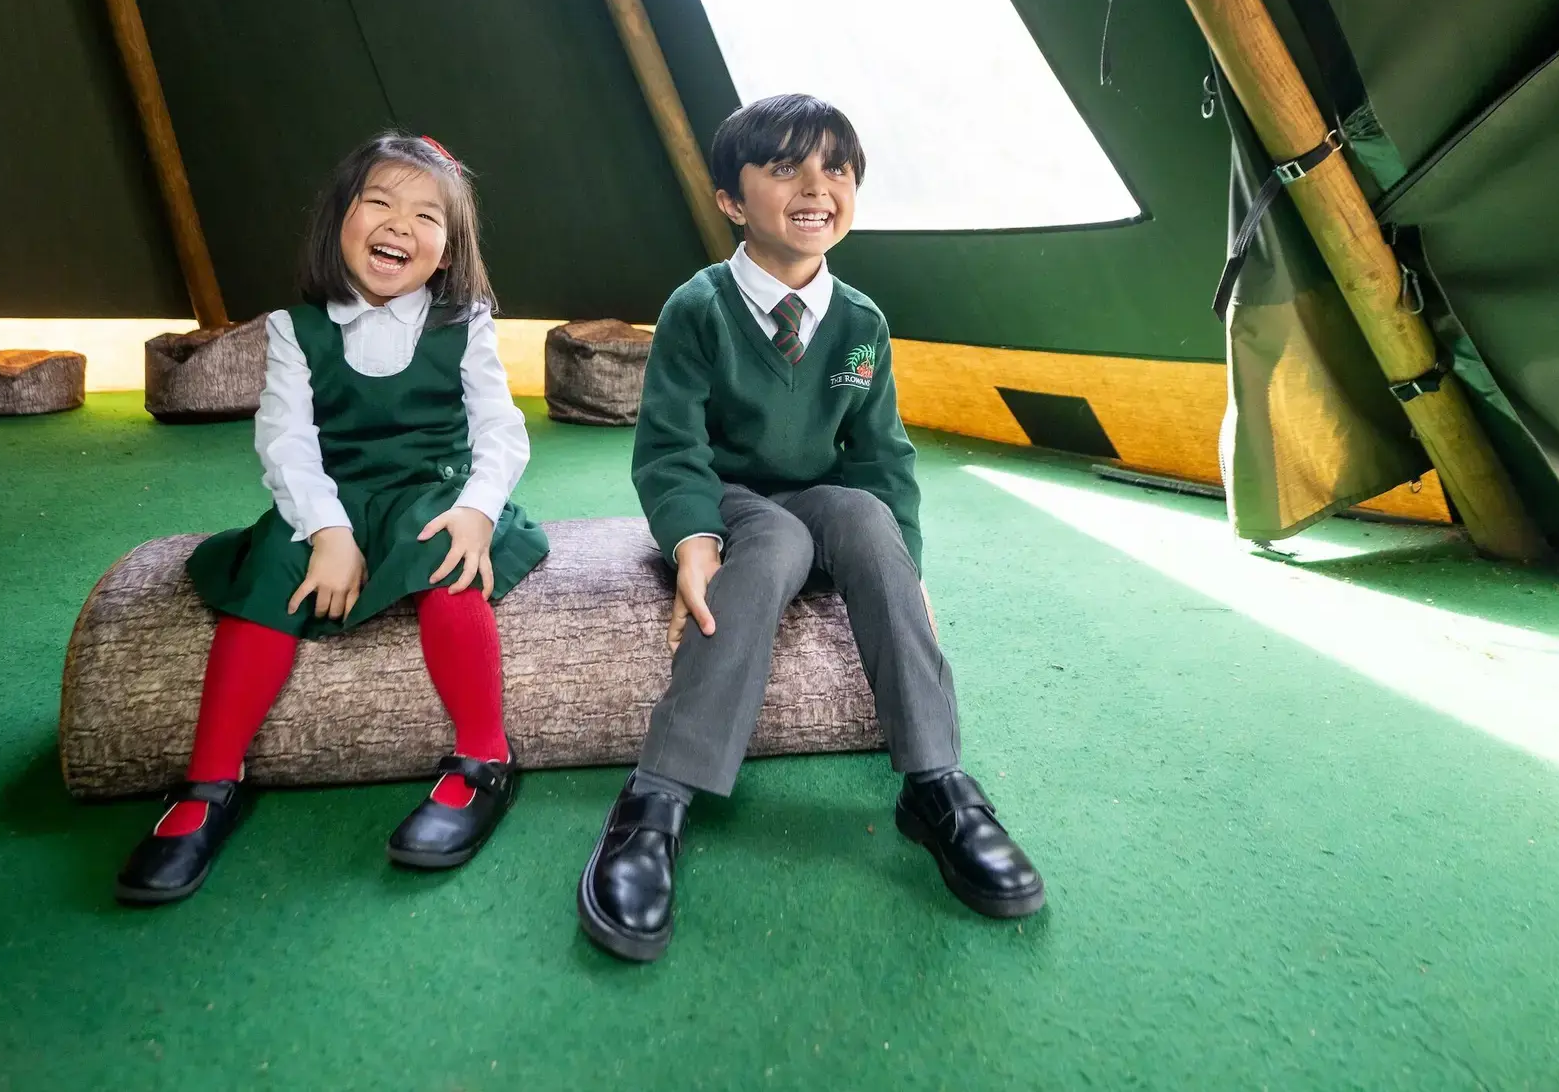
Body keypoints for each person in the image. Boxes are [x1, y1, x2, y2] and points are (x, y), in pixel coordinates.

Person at [576, 94, 1045, 960]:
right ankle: (656, 798)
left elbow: (879, 456)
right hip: (727, 497)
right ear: (730, 198)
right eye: (785, 166)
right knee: (781, 543)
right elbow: (670, 449)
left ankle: (936, 784)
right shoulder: (697, 308)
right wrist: (691, 541)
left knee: (867, 518)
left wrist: (908, 571)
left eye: (836, 167)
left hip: (822, 494)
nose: (817, 185)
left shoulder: (862, 323)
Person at [116, 132, 548, 905]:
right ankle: (210, 784)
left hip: (435, 485)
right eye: (378, 202)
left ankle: (483, 761)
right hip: (335, 494)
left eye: (426, 216)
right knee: (273, 574)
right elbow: (286, 442)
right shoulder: (294, 328)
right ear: (338, 220)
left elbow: (500, 430)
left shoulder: (464, 322)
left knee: (449, 566)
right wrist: (329, 532)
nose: (399, 225)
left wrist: (479, 512)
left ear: (447, 251)